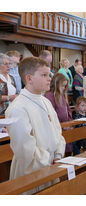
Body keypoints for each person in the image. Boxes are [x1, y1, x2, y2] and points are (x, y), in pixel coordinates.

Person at [5, 57, 65, 194]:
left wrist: (58, 155)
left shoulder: (45, 101)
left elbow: (58, 131)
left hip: (51, 165)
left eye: (49, 74)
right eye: (44, 75)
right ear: (29, 78)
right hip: (32, 170)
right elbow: (25, 149)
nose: (49, 78)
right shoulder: (18, 108)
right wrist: (48, 161)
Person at [45, 73, 73, 156]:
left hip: (66, 126)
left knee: (68, 149)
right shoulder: (50, 95)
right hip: (58, 127)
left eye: (65, 86)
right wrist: (61, 125)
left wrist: (70, 122)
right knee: (60, 150)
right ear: (56, 84)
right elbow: (51, 113)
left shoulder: (62, 95)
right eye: (62, 86)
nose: (64, 88)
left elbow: (68, 110)